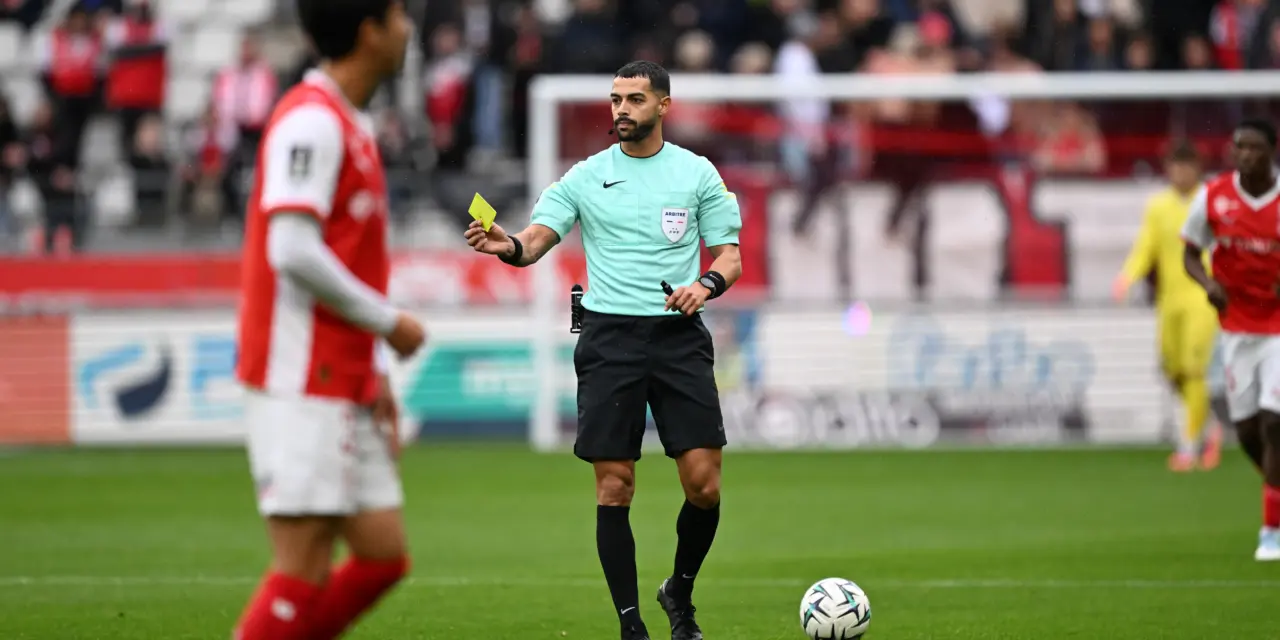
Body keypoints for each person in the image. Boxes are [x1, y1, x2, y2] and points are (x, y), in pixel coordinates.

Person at [465, 60, 743, 640]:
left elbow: (729, 256)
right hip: (610, 337)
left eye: (635, 100)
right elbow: (536, 240)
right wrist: (507, 244)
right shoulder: (586, 177)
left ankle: (679, 593)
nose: (622, 109)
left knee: (705, 483)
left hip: (676, 334)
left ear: (663, 106)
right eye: (616, 99)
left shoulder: (697, 174)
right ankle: (631, 625)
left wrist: (705, 285)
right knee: (615, 484)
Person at [231, 2, 426, 639]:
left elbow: (346, 260)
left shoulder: (349, 123)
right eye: (398, 15)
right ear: (369, 30)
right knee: (302, 567)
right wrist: (388, 322)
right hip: (299, 375)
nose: (407, 29)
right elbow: (289, 249)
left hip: (342, 374)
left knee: (381, 555)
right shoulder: (311, 122)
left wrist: (374, 368)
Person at [1182, 119, 1280, 562]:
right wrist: (1207, 283)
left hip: (1278, 327)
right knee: (1245, 432)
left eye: (1254, 149)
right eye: (1239, 147)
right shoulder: (1213, 196)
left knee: (1275, 422)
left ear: (1271, 153)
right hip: (1237, 328)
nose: (1245, 155)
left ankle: (1271, 532)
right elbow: (1189, 251)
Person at [1114, 141, 1222, 472]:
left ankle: (1189, 446)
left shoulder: (1212, 202)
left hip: (1202, 298)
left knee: (1193, 368)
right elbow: (1146, 245)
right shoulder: (1158, 206)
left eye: (1186, 166)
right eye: (1175, 166)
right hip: (1169, 299)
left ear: (1197, 169)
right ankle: (1210, 423)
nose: (1180, 173)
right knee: (1172, 370)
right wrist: (1127, 277)